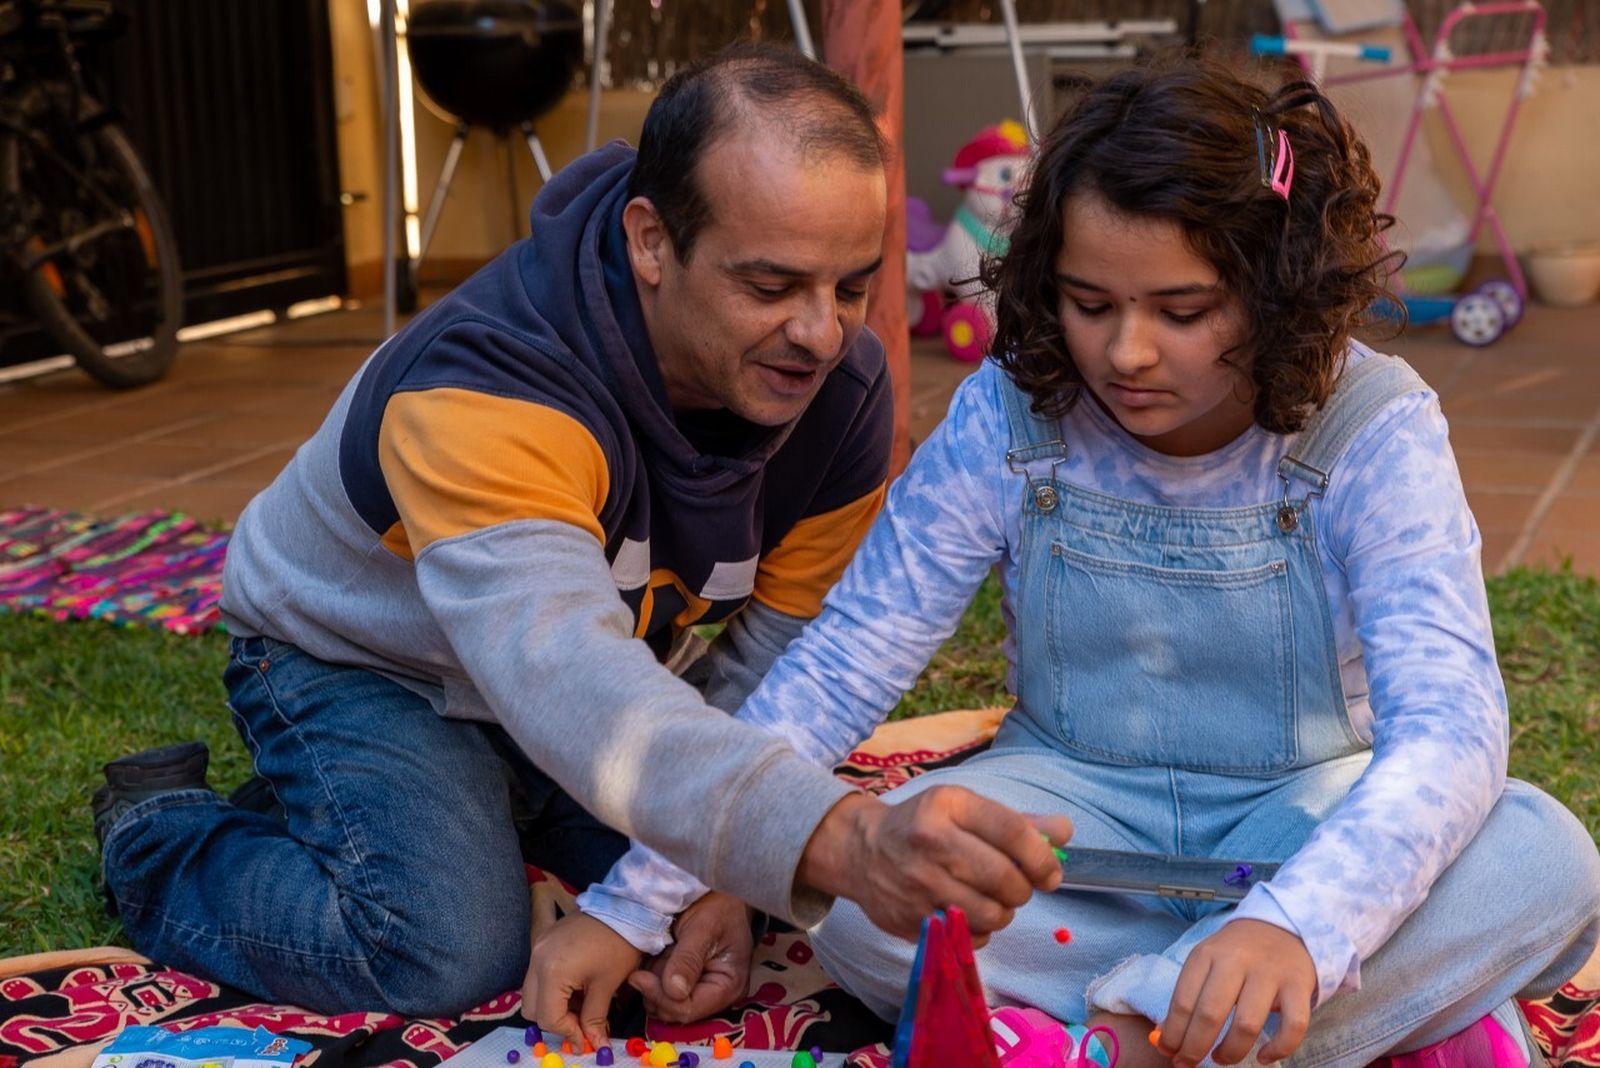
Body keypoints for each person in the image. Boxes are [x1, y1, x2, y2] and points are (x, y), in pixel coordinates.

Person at [530, 57, 1600, 1066]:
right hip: (1073, 831)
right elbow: (838, 667)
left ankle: (1130, 1031)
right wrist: (642, 901)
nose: (1125, 354)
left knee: (1545, 857)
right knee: (864, 906)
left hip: (1303, 825)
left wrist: (1295, 925)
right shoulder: (1008, 411)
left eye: (1180, 312)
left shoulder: (1375, 427)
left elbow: (1451, 732)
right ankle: (1309, 1020)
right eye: (1091, 305)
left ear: (1276, 293)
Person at [90, 42, 1070, 1018]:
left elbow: (777, 664)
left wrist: (717, 879)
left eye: (850, 286)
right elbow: (561, 674)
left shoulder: (843, 393)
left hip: (582, 678)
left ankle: (397, 811)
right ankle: (160, 829)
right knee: (448, 950)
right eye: (771, 287)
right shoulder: (488, 382)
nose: (822, 335)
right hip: (364, 661)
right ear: (651, 241)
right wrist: (835, 840)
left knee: (718, 910)